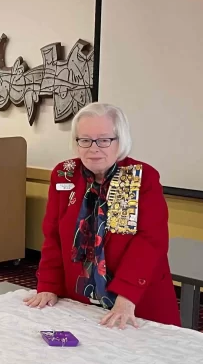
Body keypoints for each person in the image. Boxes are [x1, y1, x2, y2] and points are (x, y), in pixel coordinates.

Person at [25, 102, 180, 328]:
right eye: (85, 140)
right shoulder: (64, 174)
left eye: (104, 139)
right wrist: (48, 284)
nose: (93, 148)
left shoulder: (141, 177)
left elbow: (149, 242)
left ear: (120, 141)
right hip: (79, 301)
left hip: (135, 301)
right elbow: (53, 236)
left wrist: (126, 297)